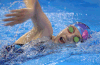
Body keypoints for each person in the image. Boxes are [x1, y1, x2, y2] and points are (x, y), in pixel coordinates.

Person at [3, 0, 91, 51]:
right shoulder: (46, 33)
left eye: (76, 39)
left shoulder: (55, 52)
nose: (69, 36)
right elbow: (36, 7)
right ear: (65, 27)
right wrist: (32, 11)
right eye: (71, 29)